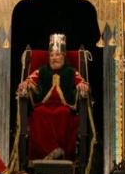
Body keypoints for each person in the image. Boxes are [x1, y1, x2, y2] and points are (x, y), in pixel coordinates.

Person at [17, 33, 89, 161]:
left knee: (63, 114)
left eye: (57, 55)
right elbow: (29, 81)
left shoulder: (71, 72)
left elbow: (82, 82)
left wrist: (83, 87)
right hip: (43, 107)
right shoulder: (41, 70)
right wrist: (24, 84)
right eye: (51, 55)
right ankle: (53, 150)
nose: (54, 58)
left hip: (64, 108)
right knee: (37, 114)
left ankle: (58, 151)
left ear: (63, 56)